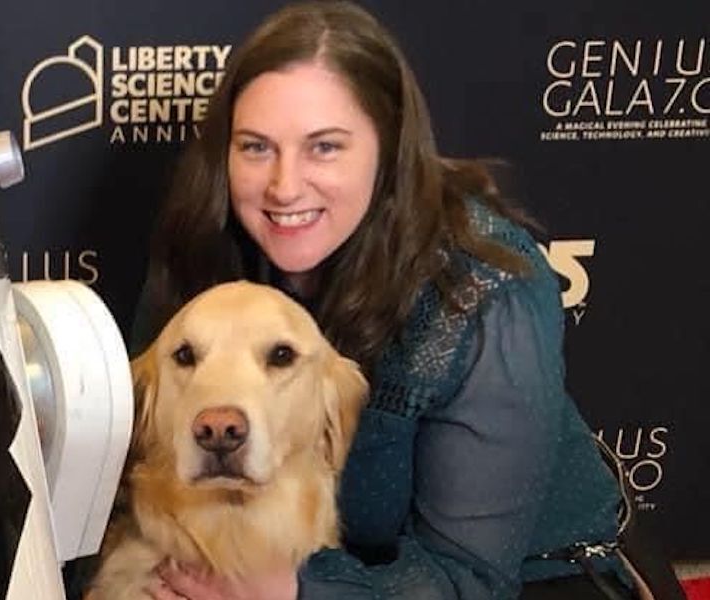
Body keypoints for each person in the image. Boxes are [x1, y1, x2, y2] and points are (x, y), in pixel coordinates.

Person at [121, 1, 643, 598]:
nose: (284, 186)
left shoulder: (485, 287)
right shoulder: (202, 248)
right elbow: (138, 472)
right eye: (256, 147)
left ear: (389, 148)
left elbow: (466, 576)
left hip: (517, 580)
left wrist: (289, 594)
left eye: (325, 147)